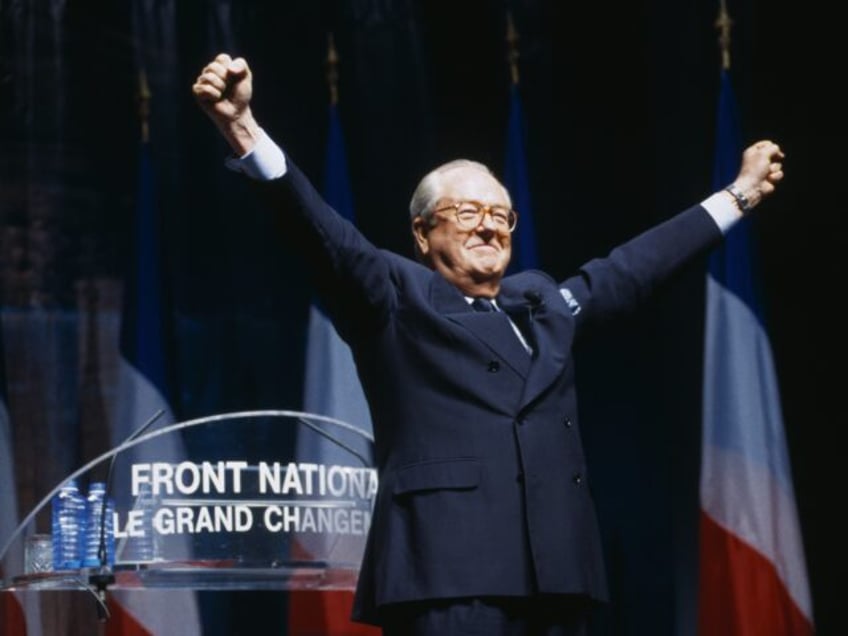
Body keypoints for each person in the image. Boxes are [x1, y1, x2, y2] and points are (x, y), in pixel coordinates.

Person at [193, 53, 784, 636]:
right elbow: (319, 231)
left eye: (502, 215)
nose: (489, 226)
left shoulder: (542, 304)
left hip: (559, 575)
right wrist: (241, 127)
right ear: (423, 234)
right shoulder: (396, 296)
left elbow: (635, 267)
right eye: (469, 211)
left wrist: (738, 196)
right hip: (450, 574)